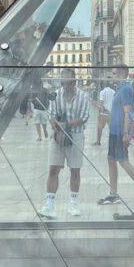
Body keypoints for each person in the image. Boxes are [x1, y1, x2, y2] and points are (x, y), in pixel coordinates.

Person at [97, 64, 134, 206]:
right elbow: (118, 111)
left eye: (115, 73)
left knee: (123, 161)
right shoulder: (119, 89)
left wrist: (126, 133)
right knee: (111, 160)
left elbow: (128, 113)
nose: (112, 75)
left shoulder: (126, 89)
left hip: (119, 132)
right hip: (114, 131)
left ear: (123, 73)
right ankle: (113, 194)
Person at [40, 69, 90, 219]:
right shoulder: (56, 95)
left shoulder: (83, 96)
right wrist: (56, 126)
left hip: (76, 135)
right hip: (58, 135)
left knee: (75, 170)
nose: (65, 86)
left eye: (68, 83)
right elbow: (51, 114)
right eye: (63, 83)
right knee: (53, 169)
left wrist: (66, 125)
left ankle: (73, 203)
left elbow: (84, 117)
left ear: (74, 81)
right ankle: (49, 205)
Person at [94, 81, 114, 146]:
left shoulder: (102, 92)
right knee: (112, 129)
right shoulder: (114, 92)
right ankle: (113, 142)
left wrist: (100, 111)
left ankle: (98, 142)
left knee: (99, 128)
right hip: (111, 113)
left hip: (103, 113)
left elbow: (101, 103)